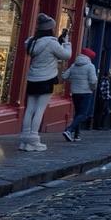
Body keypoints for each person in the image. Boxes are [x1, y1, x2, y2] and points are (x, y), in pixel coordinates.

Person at [19, 13, 72, 152]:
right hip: (47, 78)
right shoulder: (51, 42)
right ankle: (34, 140)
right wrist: (67, 43)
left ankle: (24, 140)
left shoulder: (31, 42)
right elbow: (66, 56)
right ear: (50, 29)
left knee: (30, 108)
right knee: (40, 109)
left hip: (32, 78)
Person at [62, 47, 98, 141]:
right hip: (86, 92)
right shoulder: (90, 66)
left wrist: (73, 82)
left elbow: (64, 76)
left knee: (77, 112)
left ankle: (77, 135)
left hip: (75, 92)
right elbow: (93, 80)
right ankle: (69, 130)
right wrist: (92, 88)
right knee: (83, 113)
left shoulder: (74, 65)